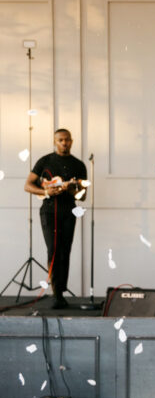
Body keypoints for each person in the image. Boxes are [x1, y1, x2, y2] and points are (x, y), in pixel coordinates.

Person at [24, 128, 88, 309]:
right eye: (61, 140)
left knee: (65, 251)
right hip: (49, 212)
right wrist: (45, 191)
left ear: (72, 141)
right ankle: (56, 293)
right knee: (53, 249)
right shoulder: (45, 161)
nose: (64, 143)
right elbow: (28, 185)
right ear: (55, 141)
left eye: (67, 140)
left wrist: (73, 190)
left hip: (69, 211)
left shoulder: (79, 165)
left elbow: (82, 196)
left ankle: (60, 290)